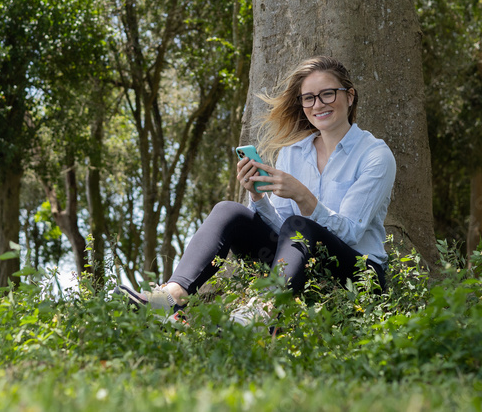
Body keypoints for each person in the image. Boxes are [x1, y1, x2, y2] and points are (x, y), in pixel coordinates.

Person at [120, 56, 396, 314]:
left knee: (301, 226)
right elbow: (283, 231)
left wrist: (303, 197)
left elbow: (350, 233)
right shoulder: (293, 153)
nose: (318, 105)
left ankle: (261, 313)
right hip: (298, 266)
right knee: (229, 211)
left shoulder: (375, 155)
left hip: (359, 274)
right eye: (309, 98)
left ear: (349, 96)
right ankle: (170, 297)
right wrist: (257, 196)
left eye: (327, 94)